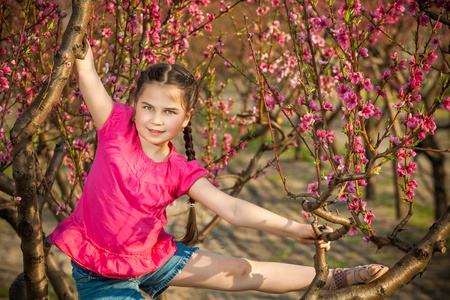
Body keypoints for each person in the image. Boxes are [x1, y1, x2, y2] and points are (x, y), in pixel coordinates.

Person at [49, 1, 389, 299]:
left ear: (185, 119)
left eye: (169, 112)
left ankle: (332, 278)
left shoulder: (178, 170)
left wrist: (295, 228)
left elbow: (234, 210)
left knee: (242, 271)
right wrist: (68, 11)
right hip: (101, 275)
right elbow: (86, 68)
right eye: (147, 108)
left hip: (151, 256)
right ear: (134, 105)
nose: (155, 120)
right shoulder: (115, 126)